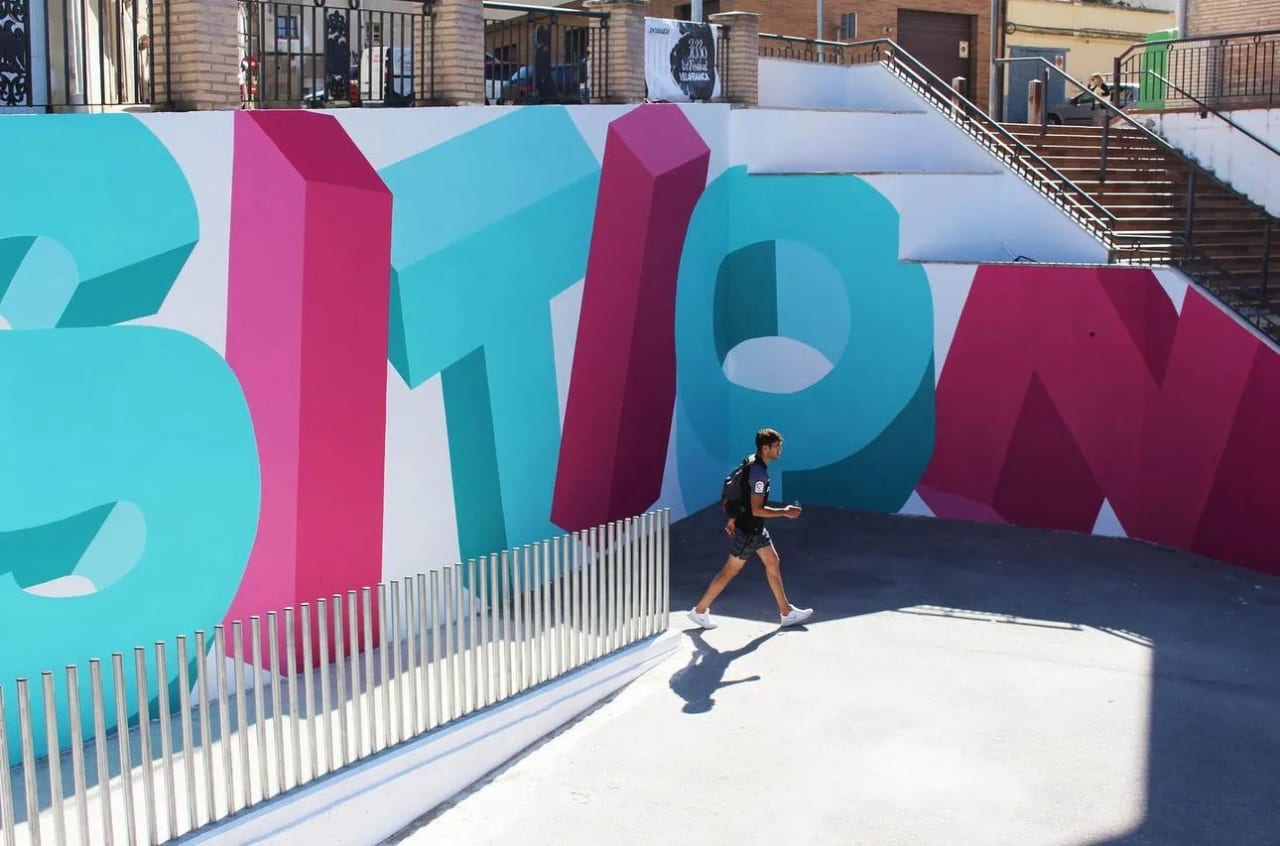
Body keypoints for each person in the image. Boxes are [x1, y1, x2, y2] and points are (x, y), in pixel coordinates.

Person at [687, 428, 814, 629]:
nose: (779, 450)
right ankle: (700, 611)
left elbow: (738, 494)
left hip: (754, 528)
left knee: (772, 561)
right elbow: (756, 509)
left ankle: (786, 612)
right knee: (729, 571)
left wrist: (732, 518)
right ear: (766, 448)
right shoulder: (759, 475)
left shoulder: (751, 461)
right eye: (776, 447)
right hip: (749, 531)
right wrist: (785, 511)